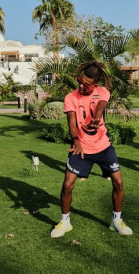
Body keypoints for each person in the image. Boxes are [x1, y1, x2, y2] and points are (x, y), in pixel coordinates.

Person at [50, 61, 133, 238]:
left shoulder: (102, 92)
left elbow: (100, 105)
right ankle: (65, 222)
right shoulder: (70, 98)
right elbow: (72, 123)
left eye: (86, 84)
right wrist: (76, 141)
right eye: (80, 81)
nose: (81, 86)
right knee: (67, 185)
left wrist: (97, 117)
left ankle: (116, 221)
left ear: (95, 85)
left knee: (118, 182)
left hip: (103, 146)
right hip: (80, 148)